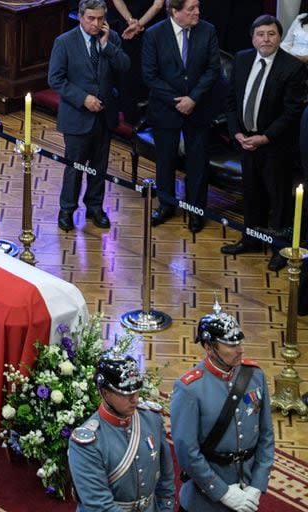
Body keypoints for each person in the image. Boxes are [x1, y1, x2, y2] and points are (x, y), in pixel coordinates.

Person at [220, 15, 307, 272]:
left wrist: (265, 137)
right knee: (252, 194)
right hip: (245, 141)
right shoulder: (243, 59)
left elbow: (291, 113)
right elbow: (232, 100)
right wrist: (236, 132)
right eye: (261, 34)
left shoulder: (292, 67)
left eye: (271, 34)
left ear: (279, 37)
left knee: (277, 199)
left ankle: (279, 248)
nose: (266, 39)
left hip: (274, 147)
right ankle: (251, 239)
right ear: (253, 37)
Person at [170, 301, 274, 512]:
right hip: (204, 502)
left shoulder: (254, 376)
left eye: (240, 342)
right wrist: (223, 492)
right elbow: (187, 453)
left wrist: (257, 485)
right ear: (209, 347)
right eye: (231, 345)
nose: (240, 349)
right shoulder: (189, 389)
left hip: (247, 496)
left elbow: (266, 434)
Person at [48, 0, 130, 232]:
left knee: (99, 166)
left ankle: (95, 206)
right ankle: (67, 209)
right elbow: (55, 79)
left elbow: (125, 66)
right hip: (77, 116)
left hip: (104, 116)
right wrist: (83, 98)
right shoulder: (64, 42)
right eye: (91, 19)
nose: (96, 24)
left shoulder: (110, 38)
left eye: (100, 19)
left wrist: (107, 46)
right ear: (81, 17)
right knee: (74, 166)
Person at [142, 0, 221, 234]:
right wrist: (178, 101)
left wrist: (193, 99)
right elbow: (150, 75)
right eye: (191, 9)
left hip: (199, 109)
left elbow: (213, 69)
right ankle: (166, 205)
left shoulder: (208, 30)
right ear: (174, 11)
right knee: (165, 161)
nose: (197, 12)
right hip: (166, 110)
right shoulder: (154, 35)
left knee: (197, 163)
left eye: (197, 7)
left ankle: (197, 211)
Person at [68, 353, 175, 511]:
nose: (135, 399)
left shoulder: (152, 419)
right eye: (125, 394)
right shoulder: (86, 443)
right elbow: (99, 505)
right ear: (104, 392)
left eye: (136, 391)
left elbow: (166, 477)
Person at [110, 0, 165, 125]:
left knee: (142, 70)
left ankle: (135, 115)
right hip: (134, 26)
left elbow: (158, 5)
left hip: (148, 26)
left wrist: (133, 22)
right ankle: (133, 115)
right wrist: (135, 23)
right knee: (130, 70)